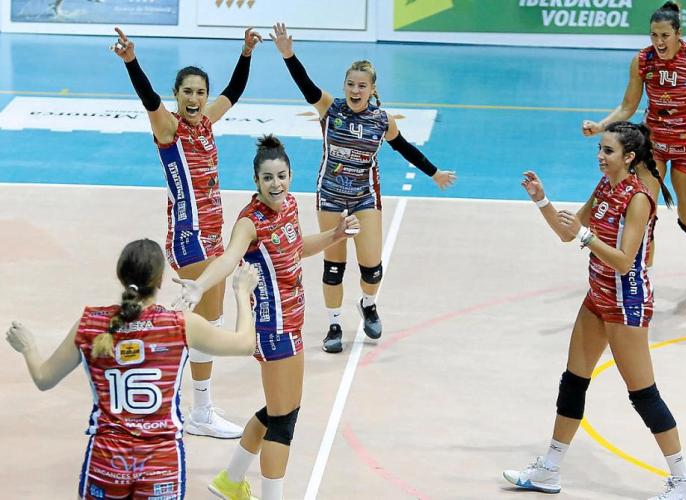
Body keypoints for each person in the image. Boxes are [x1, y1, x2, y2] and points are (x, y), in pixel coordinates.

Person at [503, 122, 686, 500]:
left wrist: (585, 236)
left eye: (608, 151)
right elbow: (568, 233)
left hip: (626, 304)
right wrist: (542, 201)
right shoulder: (605, 188)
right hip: (597, 296)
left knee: (643, 395)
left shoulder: (638, 198)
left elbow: (625, 261)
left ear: (629, 157)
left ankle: (684, 482)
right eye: (600, 149)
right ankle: (549, 469)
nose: (600, 156)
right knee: (573, 382)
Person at [173, 135, 360, 500]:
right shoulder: (249, 222)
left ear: (290, 176)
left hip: (293, 321)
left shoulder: (289, 205)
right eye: (268, 178)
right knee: (283, 421)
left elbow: (297, 248)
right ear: (256, 181)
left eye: (282, 176)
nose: (276, 184)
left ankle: (230, 481)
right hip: (274, 328)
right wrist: (200, 286)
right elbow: (229, 258)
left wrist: (336, 235)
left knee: (281, 410)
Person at [5, 239, 258, 499]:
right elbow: (246, 344)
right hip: (161, 464)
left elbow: (44, 378)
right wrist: (242, 292)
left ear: (120, 277)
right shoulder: (181, 325)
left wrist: (28, 347)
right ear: (160, 281)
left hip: (106, 461)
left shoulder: (91, 324)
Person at [112, 25, 263, 438]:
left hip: (212, 236)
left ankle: (186, 403)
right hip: (189, 238)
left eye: (200, 92)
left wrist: (246, 51)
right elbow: (148, 98)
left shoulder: (207, 122)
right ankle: (194, 410)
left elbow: (234, 91)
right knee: (203, 324)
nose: (195, 99)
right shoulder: (169, 128)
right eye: (187, 92)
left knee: (207, 319)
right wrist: (131, 61)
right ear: (176, 96)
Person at [269, 22, 457, 353]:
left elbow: (405, 148)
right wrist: (288, 55)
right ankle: (334, 326)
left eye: (362, 86)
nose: (355, 91)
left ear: (372, 89)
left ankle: (368, 304)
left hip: (364, 197)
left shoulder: (382, 120)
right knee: (334, 267)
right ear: (344, 86)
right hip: (330, 195)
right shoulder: (331, 109)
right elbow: (306, 85)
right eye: (350, 84)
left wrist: (434, 173)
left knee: (372, 269)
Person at [582, 1, 686, 283]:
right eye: (654, 35)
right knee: (643, 216)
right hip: (652, 147)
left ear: (678, 33)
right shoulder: (643, 60)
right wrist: (600, 126)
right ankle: (645, 282)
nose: (659, 42)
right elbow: (628, 106)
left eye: (665, 35)